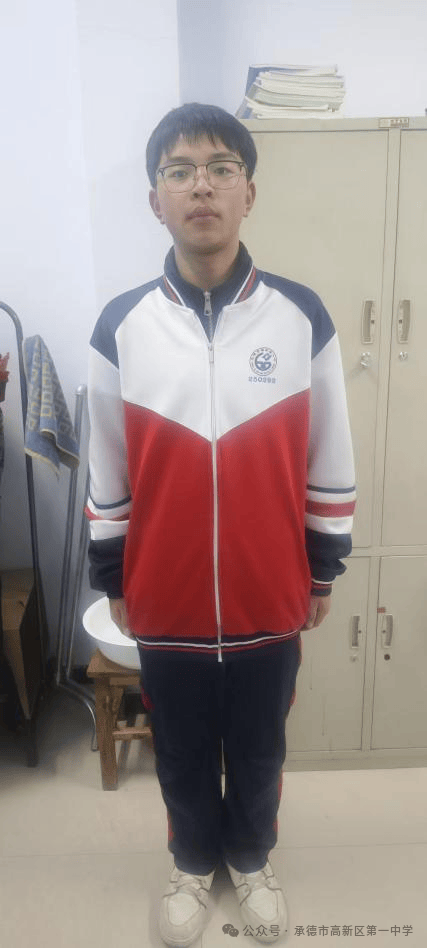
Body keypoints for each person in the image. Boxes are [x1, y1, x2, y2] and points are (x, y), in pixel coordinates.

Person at [86, 103, 356, 946]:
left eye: (219, 168)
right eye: (179, 171)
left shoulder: (299, 316)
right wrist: (112, 576)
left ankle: (250, 858)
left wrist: (320, 567)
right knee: (180, 748)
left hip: (267, 592)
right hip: (163, 597)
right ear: (155, 200)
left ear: (248, 192)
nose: (200, 186)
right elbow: (106, 469)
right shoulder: (121, 325)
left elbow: (328, 452)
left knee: (261, 746)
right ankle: (191, 861)